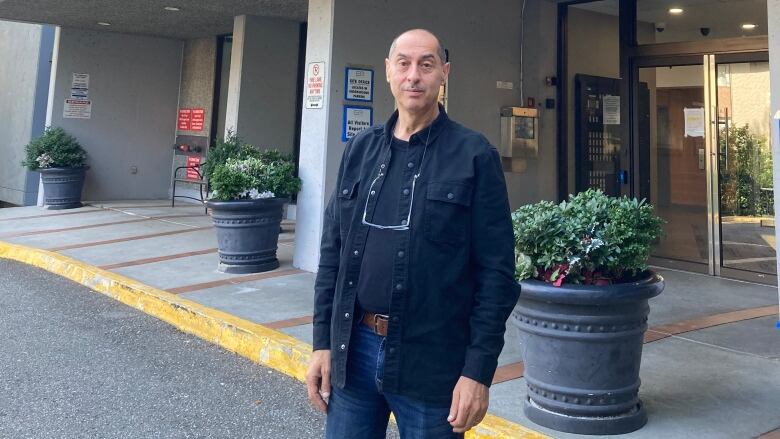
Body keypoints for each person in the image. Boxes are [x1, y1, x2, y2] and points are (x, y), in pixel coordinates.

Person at [306, 28, 518, 438]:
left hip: (434, 362)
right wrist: (322, 342)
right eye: (403, 63)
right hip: (355, 351)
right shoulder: (359, 150)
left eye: (426, 64)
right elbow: (332, 253)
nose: (413, 76)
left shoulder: (474, 155)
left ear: (444, 74)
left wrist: (478, 371)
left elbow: (497, 274)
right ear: (388, 71)